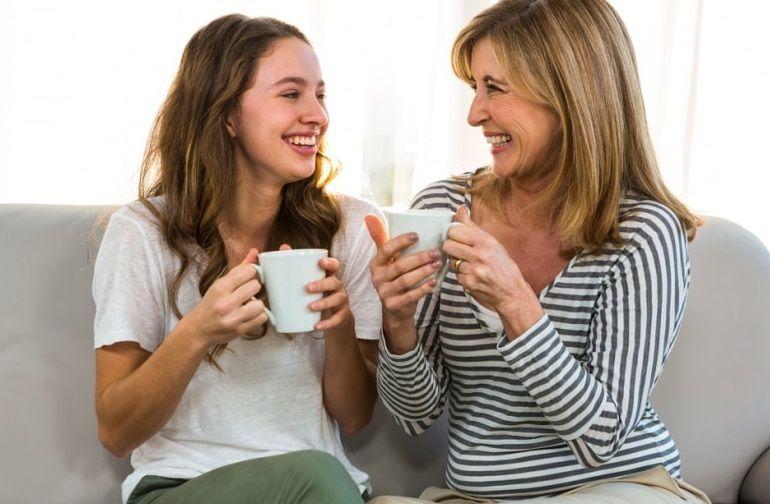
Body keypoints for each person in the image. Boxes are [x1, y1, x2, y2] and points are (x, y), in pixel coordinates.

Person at [366, 0, 711, 502]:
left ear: (569, 95)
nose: (474, 114)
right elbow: (415, 415)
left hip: (616, 487)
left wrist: (516, 303)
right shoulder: (442, 208)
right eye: (474, 88)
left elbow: (599, 439)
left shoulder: (643, 232)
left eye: (495, 88)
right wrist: (398, 324)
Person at [93, 14, 382, 504]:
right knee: (316, 473)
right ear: (228, 115)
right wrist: (197, 332)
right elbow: (116, 431)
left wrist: (339, 327)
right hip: (182, 487)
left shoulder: (351, 227)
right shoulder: (142, 232)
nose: (317, 115)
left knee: (318, 474)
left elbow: (355, 418)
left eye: (320, 95)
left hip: (320, 490)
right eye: (291, 94)